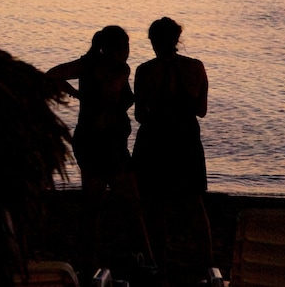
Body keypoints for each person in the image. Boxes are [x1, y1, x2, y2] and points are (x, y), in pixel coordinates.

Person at [47, 26, 153, 276]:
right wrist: (79, 94)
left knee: (106, 206)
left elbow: (54, 75)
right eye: (121, 47)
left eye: (127, 47)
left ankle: (98, 261)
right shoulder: (98, 66)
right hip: (100, 142)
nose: (126, 52)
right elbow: (53, 75)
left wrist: (81, 95)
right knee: (118, 205)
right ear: (108, 48)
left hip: (108, 142)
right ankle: (143, 260)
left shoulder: (104, 67)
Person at [132, 17, 214, 283]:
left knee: (154, 207)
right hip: (185, 139)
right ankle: (206, 265)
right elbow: (200, 110)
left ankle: (160, 266)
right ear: (177, 39)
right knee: (194, 205)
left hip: (154, 141)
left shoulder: (145, 70)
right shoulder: (196, 67)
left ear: (154, 41)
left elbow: (140, 115)